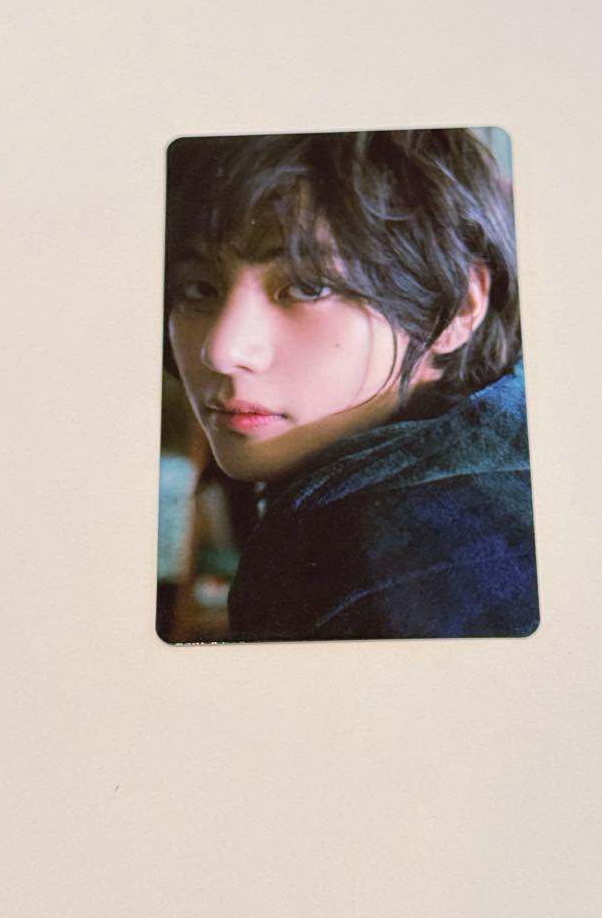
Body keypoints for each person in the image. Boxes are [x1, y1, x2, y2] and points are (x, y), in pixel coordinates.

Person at [163, 128, 538, 641]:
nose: (222, 349)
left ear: (457, 305)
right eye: (198, 288)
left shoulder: (384, 564)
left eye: (308, 286)